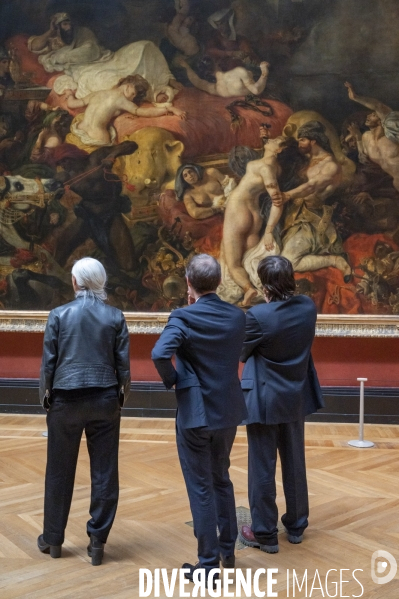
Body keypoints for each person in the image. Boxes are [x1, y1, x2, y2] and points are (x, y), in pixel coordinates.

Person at [151, 254, 247, 588]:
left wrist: (175, 381)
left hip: (195, 414)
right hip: (229, 411)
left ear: (189, 283)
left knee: (201, 487)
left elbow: (160, 353)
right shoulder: (238, 316)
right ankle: (228, 551)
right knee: (221, 478)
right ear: (219, 282)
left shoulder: (183, 316)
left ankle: (208, 565)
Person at [37, 257, 130, 565]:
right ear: (100, 282)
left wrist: (46, 401)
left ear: (75, 282)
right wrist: (120, 399)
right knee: (104, 473)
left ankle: (53, 540)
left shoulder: (58, 315)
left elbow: (48, 365)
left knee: (58, 472)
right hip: (104, 401)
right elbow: (123, 368)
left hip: (65, 401)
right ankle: (97, 543)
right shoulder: (115, 316)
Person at [239, 255, 324, 553]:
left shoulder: (258, 316)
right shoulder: (307, 308)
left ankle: (264, 533)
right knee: (294, 462)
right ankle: (297, 525)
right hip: (296, 396)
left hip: (263, 401)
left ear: (265, 286)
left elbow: (242, 353)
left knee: (262, 467)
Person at [219, 135, 294, 306]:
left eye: (275, 140)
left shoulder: (256, 165)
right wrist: (267, 230)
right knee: (247, 258)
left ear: (279, 149)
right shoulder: (277, 169)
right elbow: (277, 200)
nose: (270, 140)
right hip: (255, 215)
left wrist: (269, 232)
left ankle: (248, 289)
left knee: (233, 263)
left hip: (237, 209)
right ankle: (259, 289)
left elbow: (277, 201)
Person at [276, 121, 352, 280]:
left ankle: (334, 259)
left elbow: (311, 186)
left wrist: (287, 195)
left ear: (313, 140)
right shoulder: (308, 157)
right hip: (294, 214)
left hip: (312, 221)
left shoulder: (330, 165)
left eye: (302, 140)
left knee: (288, 261)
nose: (299, 143)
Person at [65, 74, 186, 149]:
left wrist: (70, 94)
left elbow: (72, 104)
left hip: (79, 130)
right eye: (133, 94)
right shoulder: (122, 100)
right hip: (97, 136)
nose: (132, 98)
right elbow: (143, 112)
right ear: (128, 86)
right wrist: (168, 108)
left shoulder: (98, 93)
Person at [344, 82, 399, 192]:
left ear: (380, 120)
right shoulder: (365, 137)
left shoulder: (390, 130)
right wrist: (358, 137)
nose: (368, 116)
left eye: (373, 115)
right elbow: (363, 158)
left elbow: (378, 106)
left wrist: (356, 98)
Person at [28, 12, 112, 73]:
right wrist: (51, 31)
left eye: (70, 24)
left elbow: (92, 49)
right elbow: (34, 47)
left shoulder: (82, 32)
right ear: (58, 27)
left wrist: (63, 57)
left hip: (85, 61)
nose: (69, 27)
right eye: (65, 24)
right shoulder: (52, 38)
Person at [175, 54, 269, 98]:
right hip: (253, 91)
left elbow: (196, 81)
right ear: (217, 63)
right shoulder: (238, 72)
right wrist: (264, 71)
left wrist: (186, 66)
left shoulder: (214, 88)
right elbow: (256, 90)